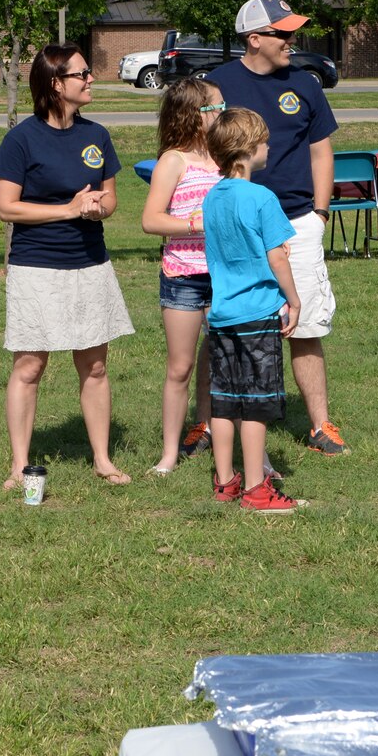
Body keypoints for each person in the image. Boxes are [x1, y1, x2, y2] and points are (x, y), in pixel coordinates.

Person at [206, 0, 346, 455]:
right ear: (255, 39)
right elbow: (199, 151)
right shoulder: (217, 85)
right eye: (283, 33)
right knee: (227, 324)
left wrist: (320, 214)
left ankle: (320, 425)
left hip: (297, 222)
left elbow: (321, 151)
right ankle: (208, 424)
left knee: (303, 325)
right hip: (238, 225)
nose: (292, 41)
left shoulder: (305, 83)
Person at [0, 44, 136, 487]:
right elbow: (7, 208)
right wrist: (68, 210)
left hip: (90, 264)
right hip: (37, 267)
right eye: (82, 73)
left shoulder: (96, 136)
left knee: (94, 366)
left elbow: (110, 198)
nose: (91, 79)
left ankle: (102, 460)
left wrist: (98, 208)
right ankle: (19, 465)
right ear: (56, 83)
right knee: (30, 366)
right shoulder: (22, 139)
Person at [199, 107, 304, 514]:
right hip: (257, 313)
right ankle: (257, 489)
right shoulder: (262, 196)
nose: (269, 147)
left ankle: (225, 480)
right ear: (245, 151)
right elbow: (277, 256)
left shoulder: (212, 197)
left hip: (221, 315)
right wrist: (293, 300)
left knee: (224, 399)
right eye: (263, 141)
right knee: (256, 401)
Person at [140, 78, 222, 474]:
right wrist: (196, 223)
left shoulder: (228, 157)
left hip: (227, 276)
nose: (223, 112)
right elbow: (151, 220)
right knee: (180, 368)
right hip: (184, 276)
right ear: (194, 115)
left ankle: (250, 453)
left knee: (233, 365)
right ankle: (169, 455)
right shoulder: (173, 160)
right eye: (215, 107)